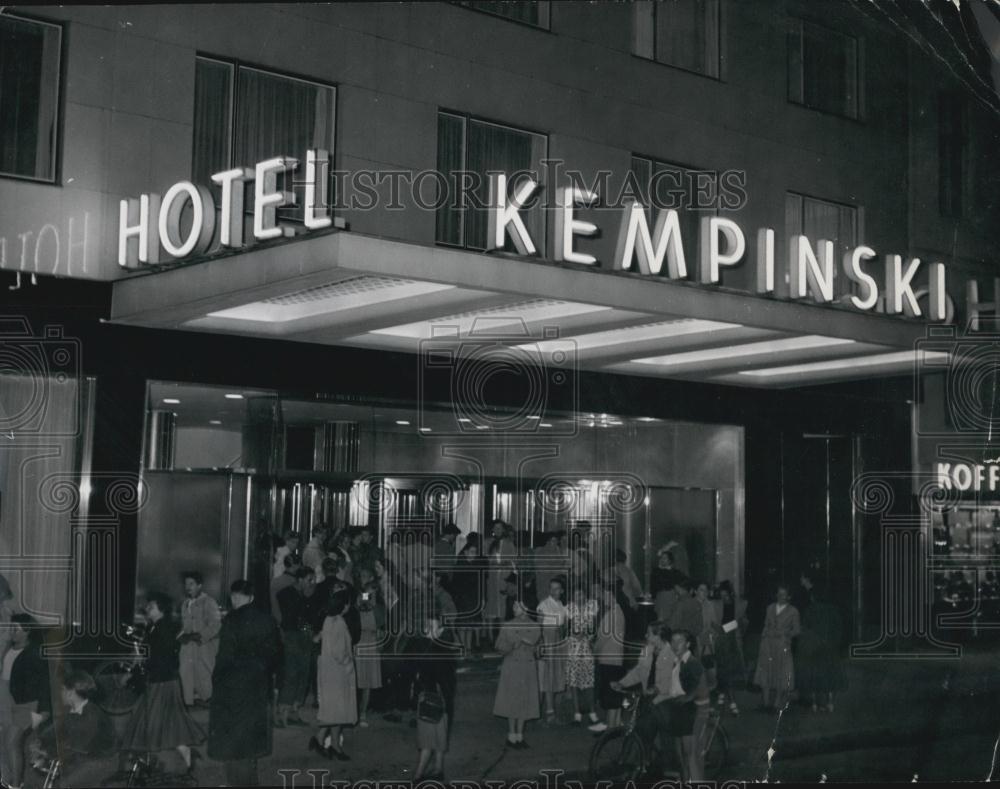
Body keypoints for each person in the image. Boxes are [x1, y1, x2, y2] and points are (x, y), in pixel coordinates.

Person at [209, 579, 282, 787]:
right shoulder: (267, 620)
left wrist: (217, 680)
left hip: (232, 689)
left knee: (233, 744)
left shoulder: (231, 620)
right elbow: (275, 655)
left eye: (236, 596)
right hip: (258, 687)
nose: (234, 600)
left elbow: (224, 657)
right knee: (250, 742)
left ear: (245, 597)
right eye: (233, 596)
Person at [122, 592, 204, 774]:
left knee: (154, 721)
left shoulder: (163, 629)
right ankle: (182, 754)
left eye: (151, 606)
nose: (148, 608)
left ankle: (150, 760)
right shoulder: (155, 627)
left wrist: (136, 672)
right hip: (161, 680)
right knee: (161, 721)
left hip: (163, 681)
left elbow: (158, 658)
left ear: (161, 609)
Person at [26, 671, 113, 789]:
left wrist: (48, 753)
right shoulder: (70, 711)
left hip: (98, 761)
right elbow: (51, 732)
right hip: (79, 758)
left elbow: (79, 746)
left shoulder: (91, 714)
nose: (60, 693)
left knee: (62, 784)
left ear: (71, 693)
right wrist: (39, 743)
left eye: (62, 689)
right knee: (35, 780)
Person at [611, 620, 676, 771]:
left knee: (658, 733)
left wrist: (656, 688)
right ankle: (640, 761)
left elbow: (671, 679)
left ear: (658, 636)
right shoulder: (647, 650)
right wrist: (622, 683)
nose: (645, 635)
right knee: (641, 728)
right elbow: (638, 672)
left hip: (665, 700)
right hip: (649, 698)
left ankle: (672, 767)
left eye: (649, 633)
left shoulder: (671, 653)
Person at [2, 614, 50, 788]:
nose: (11, 632)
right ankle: (10, 781)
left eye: (16, 628)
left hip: (29, 704)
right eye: (11, 627)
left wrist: (44, 711)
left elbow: (46, 683)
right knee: (7, 742)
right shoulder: (10, 649)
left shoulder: (35, 652)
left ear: (28, 631)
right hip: (11, 701)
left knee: (11, 742)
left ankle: (16, 785)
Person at [411, 615, 459, 781]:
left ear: (440, 630)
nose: (428, 629)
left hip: (432, 698)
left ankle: (418, 774)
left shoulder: (435, 648)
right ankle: (438, 769)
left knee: (427, 740)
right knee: (439, 737)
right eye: (428, 626)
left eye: (433, 627)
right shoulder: (437, 647)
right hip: (440, 699)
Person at [313, 589, 356, 761]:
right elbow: (339, 652)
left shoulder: (328, 619)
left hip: (328, 669)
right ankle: (333, 745)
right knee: (338, 709)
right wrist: (349, 665)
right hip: (338, 672)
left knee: (334, 710)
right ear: (344, 605)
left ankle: (322, 740)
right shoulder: (339, 622)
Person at [493, 600, 541, 748]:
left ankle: (520, 735)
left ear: (526, 608)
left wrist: (528, 644)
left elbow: (536, 645)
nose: (514, 608)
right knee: (511, 700)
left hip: (527, 667)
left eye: (517, 606)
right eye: (513, 606)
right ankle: (511, 734)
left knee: (524, 700)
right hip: (511, 666)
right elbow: (499, 646)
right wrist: (510, 646)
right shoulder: (507, 625)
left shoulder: (535, 626)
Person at [796, 572, 845, 713]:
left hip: (814, 647)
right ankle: (829, 703)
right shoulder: (834, 610)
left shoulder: (811, 610)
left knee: (814, 675)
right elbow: (838, 629)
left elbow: (805, 628)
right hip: (829, 647)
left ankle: (815, 704)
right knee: (829, 675)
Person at [276, 566, 316, 728]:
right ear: (300, 579)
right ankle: (282, 714)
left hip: (301, 636)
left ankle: (294, 713)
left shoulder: (300, 594)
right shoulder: (287, 594)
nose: (311, 583)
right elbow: (292, 618)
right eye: (309, 579)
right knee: (292, 674)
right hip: (293, 636)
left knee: (302, 674)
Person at [668, 629, 710, 782]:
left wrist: (686, 698)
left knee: (691, 756)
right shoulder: (675, 661)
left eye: (679, 641)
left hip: (693, 711)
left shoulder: (693, 663)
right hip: (679, 709)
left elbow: (698, 687)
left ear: (688, 644)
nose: (675, 645)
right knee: (682, 756)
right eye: (672, 641)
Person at [753, 584, 801, 712]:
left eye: (784, 594)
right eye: (779, 594)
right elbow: (765, 624)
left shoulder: (793, 611)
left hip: (782, 645)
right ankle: (766, 702)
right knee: (766, 671)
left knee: (781, 672)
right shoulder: (770, 608)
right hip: (767, 644)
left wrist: (785, 635)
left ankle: (777, 702)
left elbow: (796, 630)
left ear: (789, 596)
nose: (780, 597)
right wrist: (764, 636)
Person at [178, 571, 221, 708]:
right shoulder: (185, 604)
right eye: (186, 584)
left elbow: (216, 625)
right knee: (186, 672)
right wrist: (181, 637)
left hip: (204, 646)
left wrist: (200, 636)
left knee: (205, 673)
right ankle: (189, 702)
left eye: (191, 583)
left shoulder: (209, 602)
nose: (188, 587)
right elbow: (184, 626)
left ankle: (208, 700)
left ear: (200, 585)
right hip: (188, 647)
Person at [590, 581, 626, 733]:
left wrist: (594, 651)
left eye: (605, 595)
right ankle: (616, 722)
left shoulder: (612, 614)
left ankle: (611, 726)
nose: (603, 598)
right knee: (616, 692)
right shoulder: (618, 612)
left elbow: (603, 638)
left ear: (612, 596)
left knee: (610, 693)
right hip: (617, 658)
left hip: (608, 658)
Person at [565, 585, 600, 726]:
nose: (578, 597)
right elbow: (565, 627)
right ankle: (577, 713)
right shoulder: (569, 608)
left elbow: (595, 627)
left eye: (580, 594)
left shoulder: (592, 606)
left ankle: (592, 712)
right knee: (574, 681)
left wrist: (586, 634)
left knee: (588, 680)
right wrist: (572, 633)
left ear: (585, 595)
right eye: (575, 595)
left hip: (586, 647)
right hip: (573, 647)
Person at [712, 580, 747, 715]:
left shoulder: (739, 604)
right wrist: (718, 629)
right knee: (723, 668)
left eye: (725, 594)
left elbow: (742, 622)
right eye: (721, 594)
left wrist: (727, 628)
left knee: (728, 670)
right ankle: (731, 701)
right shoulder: (715, 604)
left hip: (732, 639)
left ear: (730, 593)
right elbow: (713, 622)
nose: (723, 597)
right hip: (721, 640)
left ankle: (722, 697)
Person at [536, 577, 568, 723]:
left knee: (557, 676)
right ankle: (549, 713)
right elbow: (539, 627)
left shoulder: (561, 604)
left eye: (557, 588)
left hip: (559, 641)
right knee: (547, 677)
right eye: (551, 588)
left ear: (561, 590)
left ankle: (553, 711)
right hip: (548, 642)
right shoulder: (543, 605)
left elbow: (563, 625)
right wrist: (541, 645)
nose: (554, 591)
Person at [355, 581, 384, 727]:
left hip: (372, 643)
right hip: (359, 642)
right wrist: (367, 594)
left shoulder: (378, 608)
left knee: (367, 681)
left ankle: (363, 713)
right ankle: (354, 713)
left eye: (375, 591)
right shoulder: (360, 602)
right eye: (369, 591)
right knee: (357, 679)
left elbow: (381, 628)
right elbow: (361, 604)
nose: (371, 594)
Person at [452, 533, 485, 656]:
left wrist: (482, 598)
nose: (474, 554)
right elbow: (456, 585)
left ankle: (468, 648)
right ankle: (463, 648)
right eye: (471, 552)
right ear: (465, 552)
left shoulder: (476, 565)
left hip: (473, 599)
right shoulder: (460, 565)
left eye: (475, 552)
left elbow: (481, 584)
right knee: (463, 625)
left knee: (470, 625)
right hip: (463, 599)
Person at [485, 521, 517, 643]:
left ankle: (501, 638)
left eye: (499, 528)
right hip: (491, 580)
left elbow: (513, 562)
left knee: (502, 609)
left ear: (503, 530)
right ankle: (490, 638)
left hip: (504, 579)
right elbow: (485, 560)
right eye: (495, 528)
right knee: (491, 608)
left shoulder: (509, 544)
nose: (497, 530)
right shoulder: (488, 543)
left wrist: (503, 565)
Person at [532, 531, 568, 604]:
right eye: (553, 541)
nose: (555, 543)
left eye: (556, 541)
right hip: (544, 587)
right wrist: (558, 566)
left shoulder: (558, 551)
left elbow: (563, 567)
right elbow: (543, 569)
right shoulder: (540, 552)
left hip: (556, 588)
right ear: (547, 541)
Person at [650, 549, 684, 623]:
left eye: (664, 558)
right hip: (660, 598)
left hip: (671, 597)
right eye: (661, 558)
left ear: (670, 560)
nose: (662, 560)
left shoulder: (676, 572)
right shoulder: (656, 571)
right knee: (661, 620)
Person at [271, 554, 301, 623]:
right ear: (295, 565)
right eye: (299, 565)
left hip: (274, 619)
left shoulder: (274, 581)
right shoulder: (295, 582)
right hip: (289, 621)